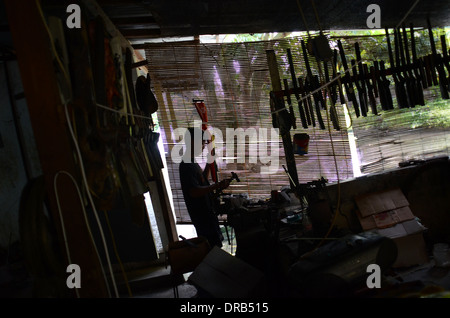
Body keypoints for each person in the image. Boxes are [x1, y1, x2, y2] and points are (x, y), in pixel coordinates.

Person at [179, 127, 230, 248]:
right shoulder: (186, 165)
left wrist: (209, 163)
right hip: (202, 217)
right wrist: (216, 186)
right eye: (202, 143)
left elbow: (202, 181)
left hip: (207, 213)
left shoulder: (192, 162)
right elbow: (194, 191)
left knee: (216, 245)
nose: (203, 146)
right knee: (211, 248)